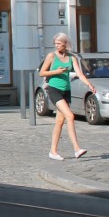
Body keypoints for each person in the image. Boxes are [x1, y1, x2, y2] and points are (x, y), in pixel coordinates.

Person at [39, 33, 96, 161]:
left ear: (65, 44)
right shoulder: (51, 56)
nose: (57, 45)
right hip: (54, 89)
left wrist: (89, 84)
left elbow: (80, 74)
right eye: (55, 43)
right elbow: (42, 72)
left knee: (59, 122)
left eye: (59, 43)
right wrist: (56, 72)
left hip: (66, 90)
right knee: (70, 116)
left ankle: (53, 151)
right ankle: (77, 149)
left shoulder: (72, 58)